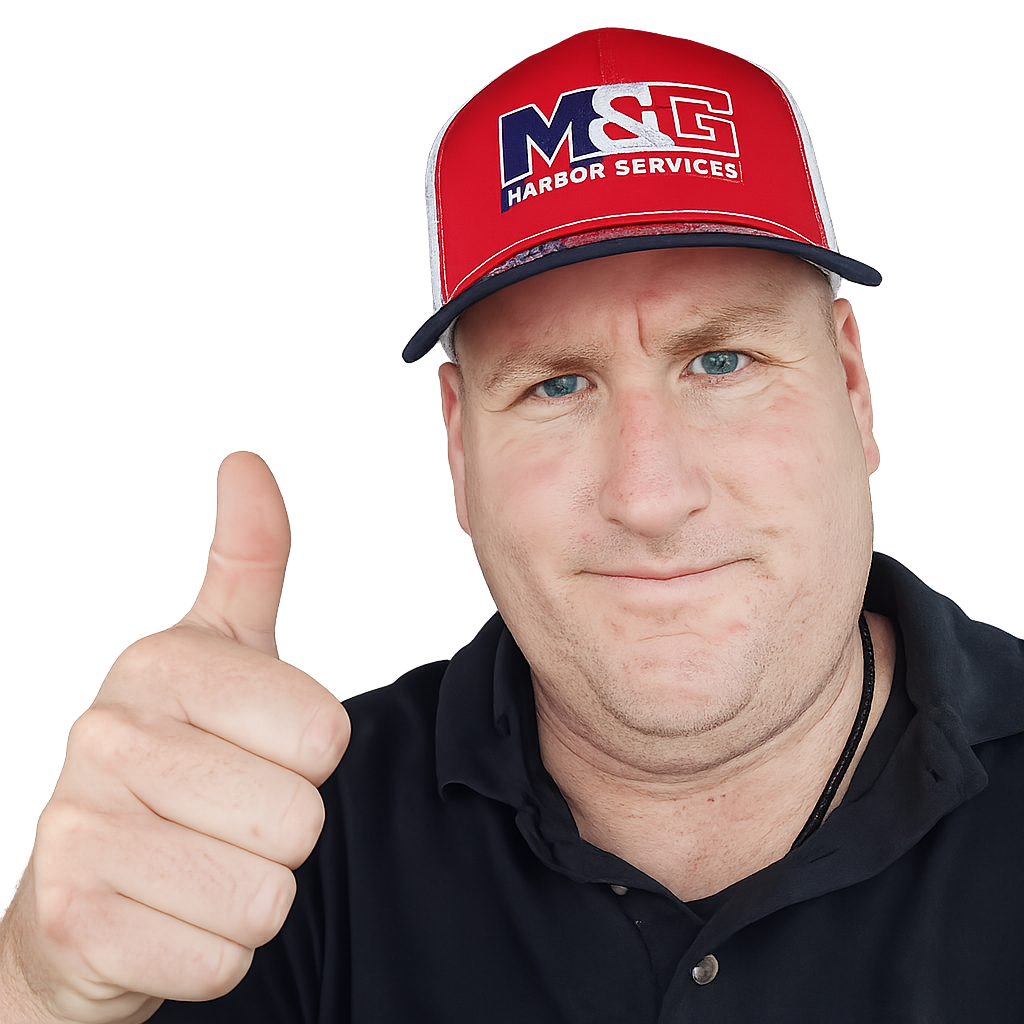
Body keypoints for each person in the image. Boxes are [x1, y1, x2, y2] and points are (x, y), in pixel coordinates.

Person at [2, 27, 1021, 1024]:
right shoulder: (270, 841)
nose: (649, 494)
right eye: (555, 383)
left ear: (851, 380)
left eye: (721, 362)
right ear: (458, 440)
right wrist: (38, 991)